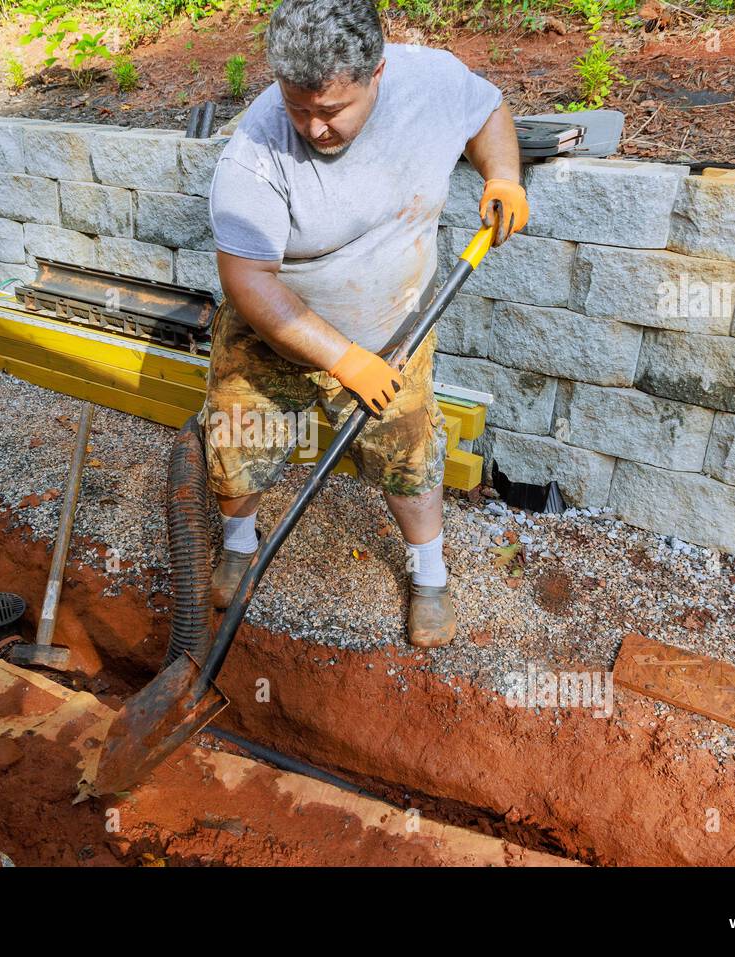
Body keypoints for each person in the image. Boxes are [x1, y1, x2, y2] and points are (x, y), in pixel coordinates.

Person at [201, 0, 529, 647]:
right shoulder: (253, 156)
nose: (314, 127)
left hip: (393, 329)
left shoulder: (431, 82)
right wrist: (344, 359)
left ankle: (429, 575)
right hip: (274, 331)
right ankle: (239, 545)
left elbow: (487, 110)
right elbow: (249, 282)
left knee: (408, 453)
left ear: (377, 72)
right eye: (298, 108)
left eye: (331, 110)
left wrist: (504, 176)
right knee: (237, 439)